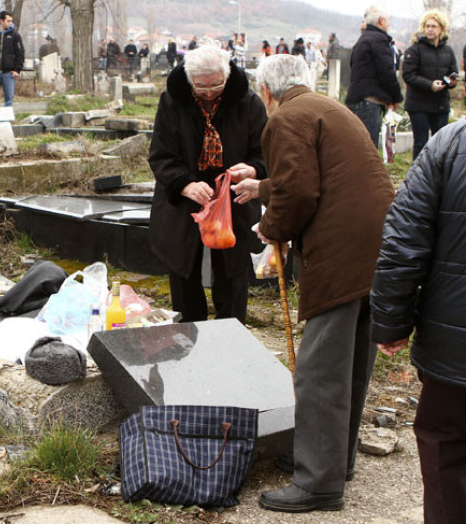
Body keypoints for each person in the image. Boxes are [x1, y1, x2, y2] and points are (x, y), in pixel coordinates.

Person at [231, 54, 394, 514]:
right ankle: (332, 459)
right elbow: (316, 177)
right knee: (352, 357)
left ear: (266, 92)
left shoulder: (285, 118)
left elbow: (301, 192)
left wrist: (272, 228)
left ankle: (318, 482)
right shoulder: (329, 108)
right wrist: (261, 187)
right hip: (377, 242)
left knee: (320, 368)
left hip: (340, 248)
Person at [370, 120, 466, 524]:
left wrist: (392, 322)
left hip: (454, 345)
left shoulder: (452, 142)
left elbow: (404, 240)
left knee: (447, 448)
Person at [148, 42, 267, 324]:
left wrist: (251, 169)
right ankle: (189, 336)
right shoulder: (172, 100)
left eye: (216, 85)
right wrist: (185, 185)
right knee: (183, 270)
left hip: (234, 196)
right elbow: (161, 155)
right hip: (185, 200)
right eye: (202, 88)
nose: (210, 94)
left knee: (232, 273)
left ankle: (231, 333)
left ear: (226, 75)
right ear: (190, 81)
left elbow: (266, 152)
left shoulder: (247, 102)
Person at [401, 9, 457, 161]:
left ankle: (438, 178)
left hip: (440, 104)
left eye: (434, 26)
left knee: (441, 144)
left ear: (441, 29)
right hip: (418, 104)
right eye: (427, 26)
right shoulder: (415, 48)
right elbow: (408, 75)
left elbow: (453, 71)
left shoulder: (448, 50)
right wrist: (429, 85)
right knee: (421, 143)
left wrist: (451, 82)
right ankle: (418, 178)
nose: (430, 29)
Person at [346, 6, 403, 148]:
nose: (388, 25)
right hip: (369, 102)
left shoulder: (363, 39)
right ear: (381, 21)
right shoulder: (378, 40)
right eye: (387, 21)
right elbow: (386, 72)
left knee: (358, 146)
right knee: (367, 148)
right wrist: (396, 97)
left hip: (359, 99)